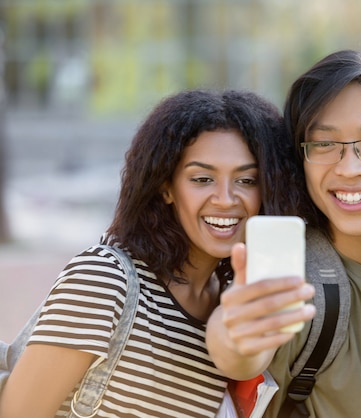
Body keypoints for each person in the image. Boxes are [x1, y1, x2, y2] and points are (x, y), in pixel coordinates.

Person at [0, 88, 309, 417]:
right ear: (166, 188)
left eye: (246, 180)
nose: (225, 198)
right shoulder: (103, 280)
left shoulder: (228, 306)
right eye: (202, 179)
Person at [207, 47, 361, 417]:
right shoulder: (292, 276)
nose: (349, 168)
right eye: (323, 144)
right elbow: (240, 351)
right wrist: (234, 335)